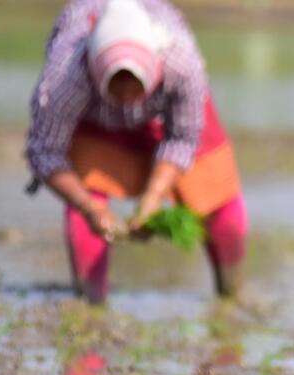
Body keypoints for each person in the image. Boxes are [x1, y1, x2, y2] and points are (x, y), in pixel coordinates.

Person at [26, 0, 246, 304]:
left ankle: (231, 294)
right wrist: (90, 207)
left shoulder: (181, 63)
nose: (129, 99)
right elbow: (44, 151)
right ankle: (90, 302)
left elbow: (183, 138)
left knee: (216, 190)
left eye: (135, 86)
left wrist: (152, 197)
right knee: (88, 191)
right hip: (95, 114)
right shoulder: (65, 78)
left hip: (167, 107)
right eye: (119, 86)